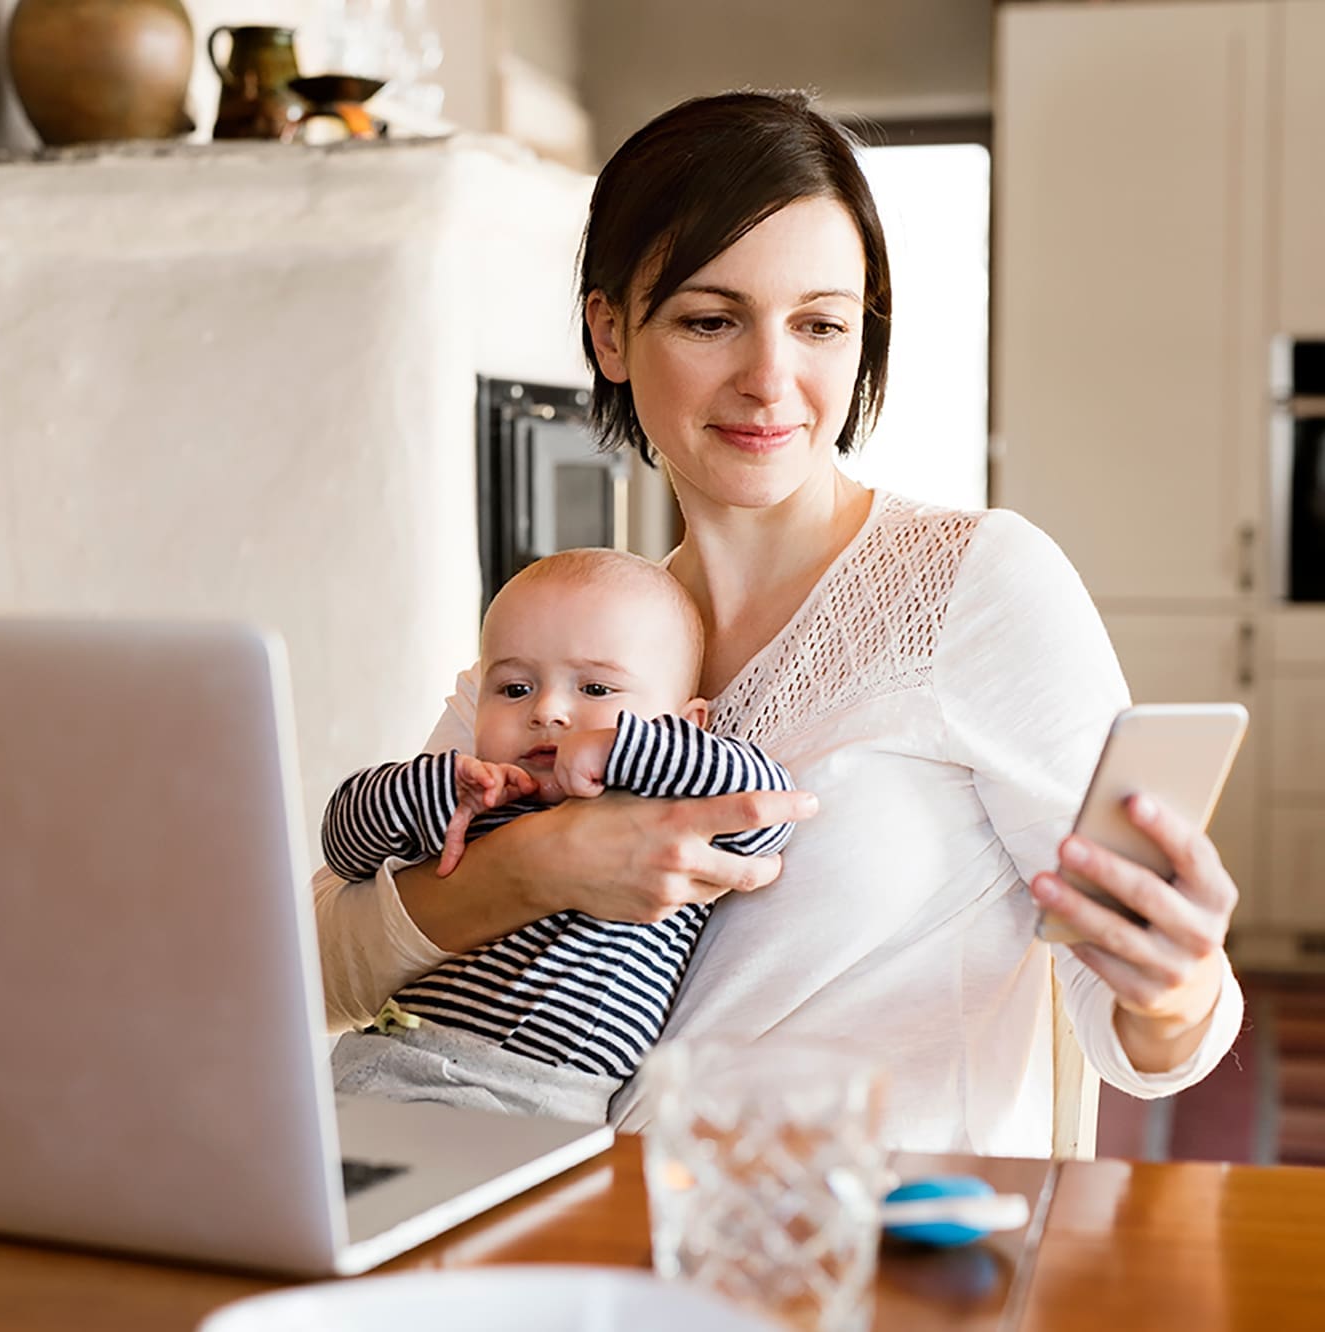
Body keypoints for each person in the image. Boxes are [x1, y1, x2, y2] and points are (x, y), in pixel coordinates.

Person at [314, 90, 1245, 1156]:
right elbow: (328, 965)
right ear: (611, 332)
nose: (770, 381)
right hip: (581, 1238)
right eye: (712, 321)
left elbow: (1148, 1031)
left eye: (819, 324)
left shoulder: (978, 584)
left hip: (866, 1261)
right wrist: (543, 866)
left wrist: (1172, 988)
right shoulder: (567, 638)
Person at [322, 547, 794, 1124]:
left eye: (596, 691)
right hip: (393, 1064)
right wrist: (440, 787)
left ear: (686, 725)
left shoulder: (676, 808)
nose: (548, 710)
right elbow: (344, 844)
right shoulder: (483, 797)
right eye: (514, 689)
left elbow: (766, 810)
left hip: (547, 1102)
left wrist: (622, 750)